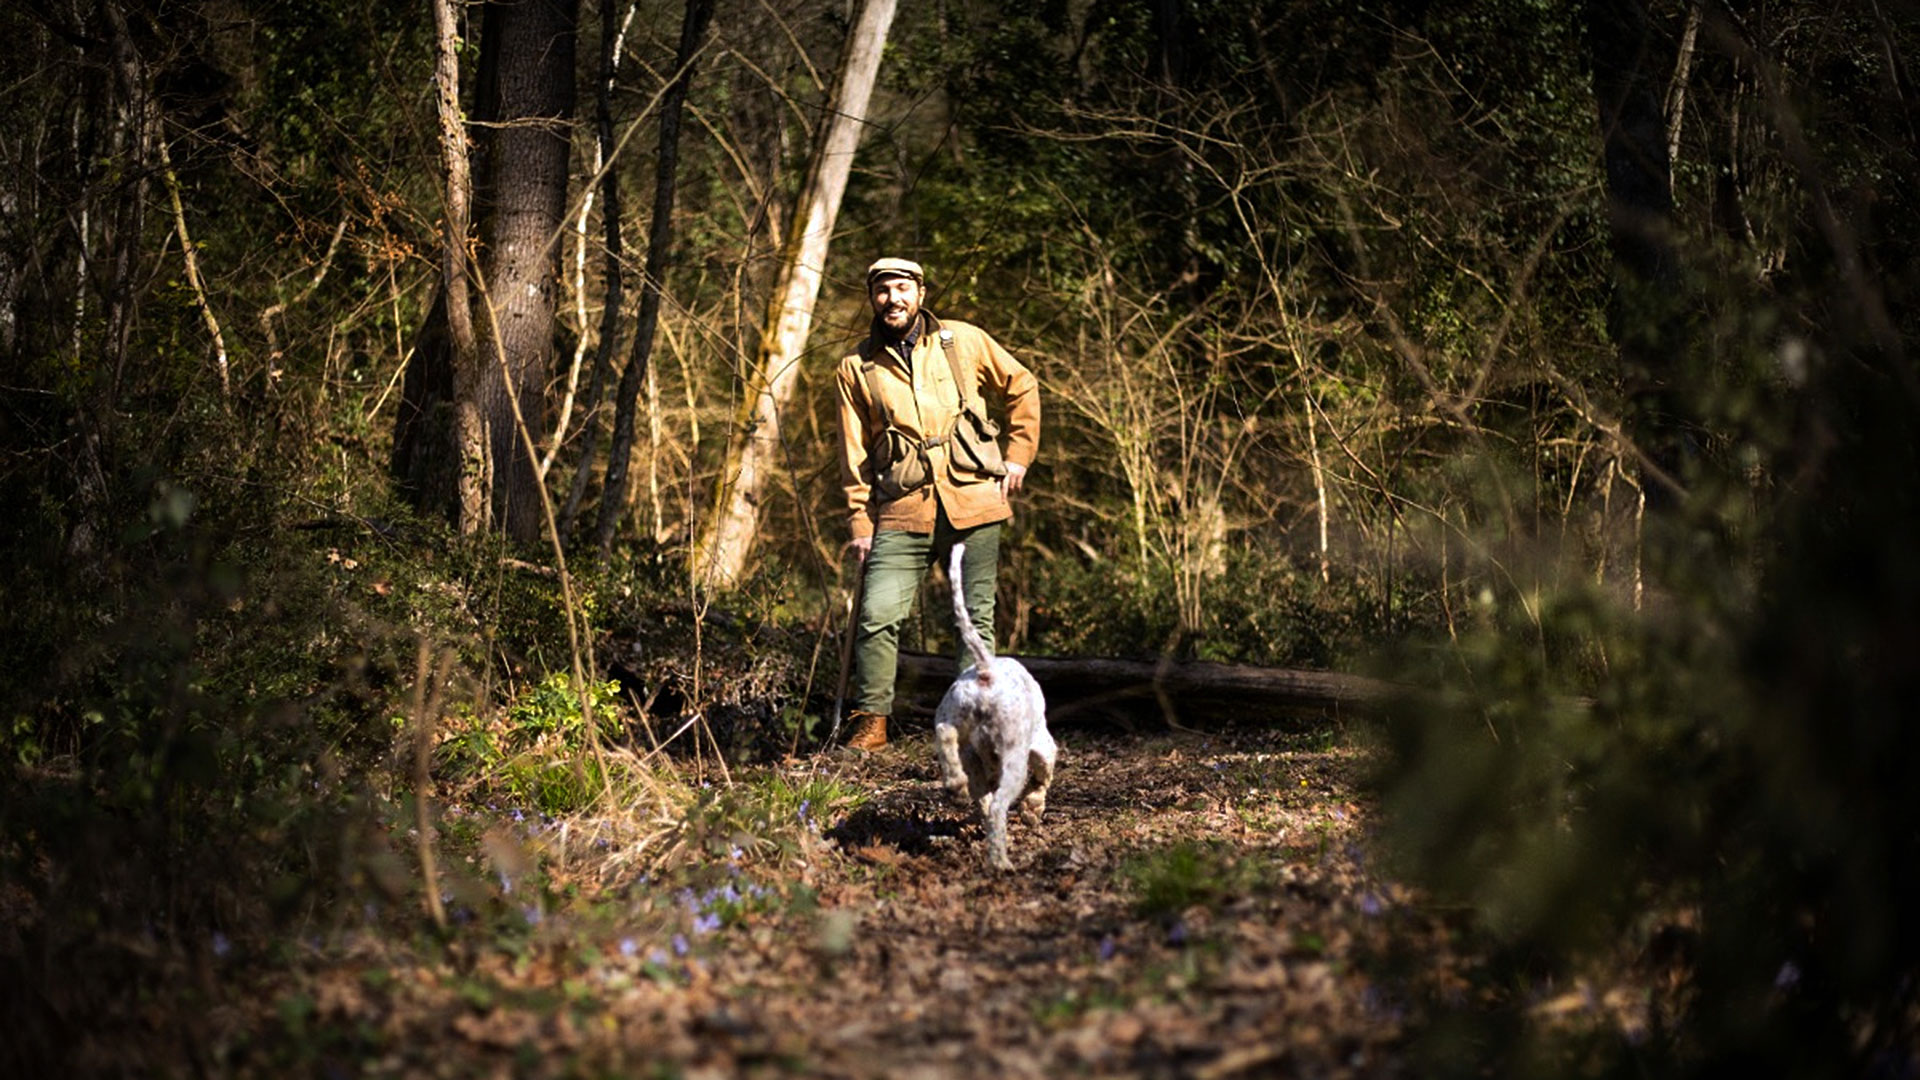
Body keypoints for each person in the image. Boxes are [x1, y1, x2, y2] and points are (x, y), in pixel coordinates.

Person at [835, 256, 1041, 750]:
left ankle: (979, 725)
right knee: (876, 614)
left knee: (974, 619)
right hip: (902, 506)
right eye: (883, 290)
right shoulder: (856, 367)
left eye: (902, 288)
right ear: (872, 299)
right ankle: (872, 723)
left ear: (921, 293)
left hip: (974, 499)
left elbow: (1022, 385)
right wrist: (860, 521)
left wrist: (1017, 457)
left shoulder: (962, 340)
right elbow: (853, 452)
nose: (893, 299)